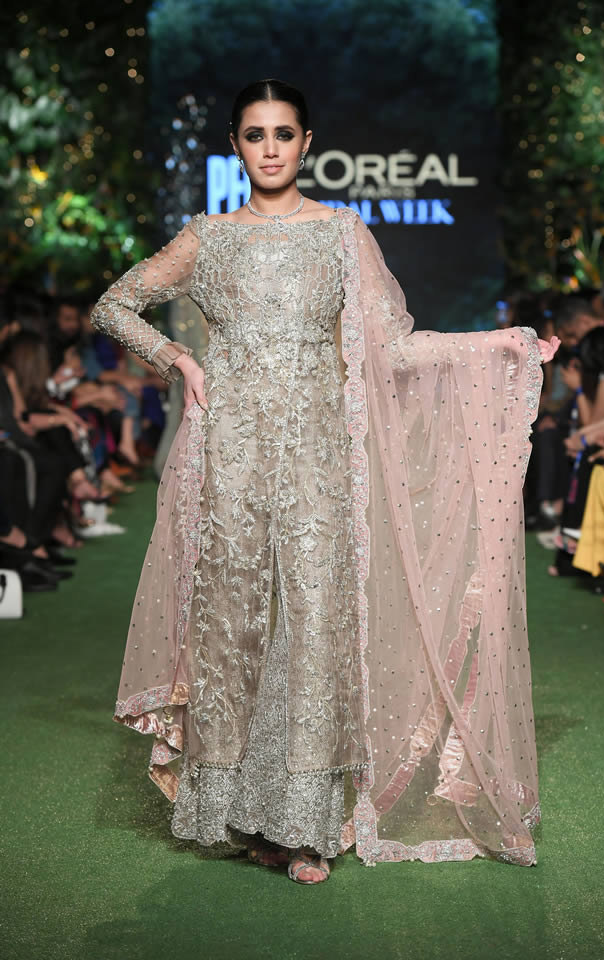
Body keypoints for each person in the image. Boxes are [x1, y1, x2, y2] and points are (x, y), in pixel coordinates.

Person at [90, 79, 559, 885]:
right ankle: (239, 813)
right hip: (228, 453)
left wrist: (497, 346)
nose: (269, 148)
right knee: (232, 624)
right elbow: (114, 306)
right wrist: (180, 360)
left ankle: (304, 825)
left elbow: (393, 346)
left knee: (314, 622)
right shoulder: (208, 237)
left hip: (317, 454)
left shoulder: (343, 232)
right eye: (254, 135)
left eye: (284, 134)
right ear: (236, 145)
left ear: (307, 144)